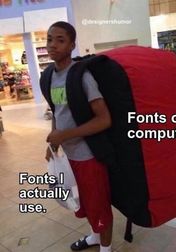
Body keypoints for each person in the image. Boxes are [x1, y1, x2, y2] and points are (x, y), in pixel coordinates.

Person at [42, 21, 113, 252]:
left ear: (72, 45)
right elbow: (57, 110)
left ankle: (106, 247)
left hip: (89, 156)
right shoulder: (50, 76)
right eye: (50, 39)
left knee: (99, 204)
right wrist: (54, 140)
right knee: (86, 202)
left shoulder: (82, 77)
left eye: (60, 40)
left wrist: (65, 135)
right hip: (70, 156)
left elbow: (104, 119)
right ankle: (94, 236)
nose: (53, 45)